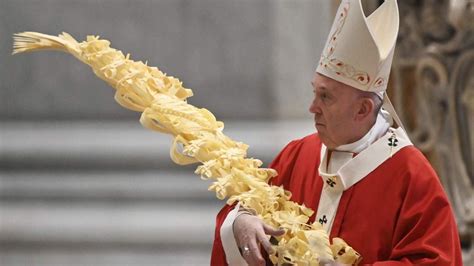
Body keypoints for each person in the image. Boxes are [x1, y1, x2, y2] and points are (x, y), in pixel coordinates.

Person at [210, 0, 463, 265]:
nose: (312, 107)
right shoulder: (297, 154)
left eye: (325, 97)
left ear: (363, 109)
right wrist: (240, 222)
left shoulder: (412, 176)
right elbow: (247, 206)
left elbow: (434, 261)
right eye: (314, 92)